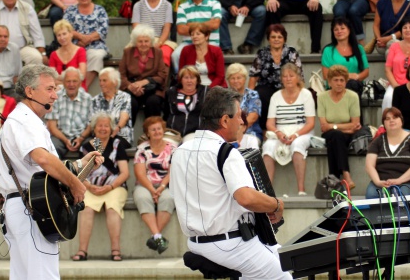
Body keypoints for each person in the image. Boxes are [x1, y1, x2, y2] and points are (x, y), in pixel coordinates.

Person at [0, 64, 102, 279]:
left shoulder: (25, 119)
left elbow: (44, 169)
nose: (55, 95)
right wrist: (75, 183)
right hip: (31, 208)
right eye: (50, 89)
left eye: (55, 89)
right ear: (30, 91)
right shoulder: (25, 120)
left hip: (27, 206)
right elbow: (42, 159)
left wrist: (81, 164)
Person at [170, 86, 291, 280]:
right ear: (225, 120)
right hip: (230, 245)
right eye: (239, 116)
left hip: (196, 243)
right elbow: (246, 198)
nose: (242, 121)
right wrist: (277, 204)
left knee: (283, 255)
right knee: (287, 275)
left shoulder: (179, 151)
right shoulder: (226, 152)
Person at [72, 112, 131, 262]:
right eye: (100, 125)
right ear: (94, 128)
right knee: (86, 208)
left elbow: (124, 173)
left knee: (112, 208)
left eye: (106, 125)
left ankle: (116, 251)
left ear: (111, 128)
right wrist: (90, 187)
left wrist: (109, 187)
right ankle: (82, 251)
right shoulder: (87, 146)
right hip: (91, 187)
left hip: (114, 187)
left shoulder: (118, 144)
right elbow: (81, 173)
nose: (103, 128)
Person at [262, 63, 315, 196]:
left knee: (297, 145)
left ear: (297, 77)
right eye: (285, 76)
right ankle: (267, 192)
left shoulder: (306, 94)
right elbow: (270, 123)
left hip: (302, 132)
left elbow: (310, 123)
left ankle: (301, 190)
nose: (288, 79)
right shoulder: (276, 96)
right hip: (281, 133)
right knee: (268, 146)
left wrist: (296, 135)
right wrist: (278, 133)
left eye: (291, 76)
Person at [133, 116, 177, 254]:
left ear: (163, 130)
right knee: (142, 198)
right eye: (153, 130)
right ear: (148, 133)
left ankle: (155, 236)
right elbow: (140, 173)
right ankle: (158, 236)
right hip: (145, 184)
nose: (157, 132)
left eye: (159, 128)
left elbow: (173, 171)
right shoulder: (142, 149)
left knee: (168, 198)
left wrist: (162, 187)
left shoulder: (172, 148)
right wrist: (152, 190)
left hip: (166, 184)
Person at [248, 24, 303, 132]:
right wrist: (249, 98)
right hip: (266, 87)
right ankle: (265, 131)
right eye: (273, 37)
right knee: (261, 94)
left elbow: (299, 75)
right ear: (268, 39)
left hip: (287, 87)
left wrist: (301, 93)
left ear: (284, 39)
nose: (276, 39)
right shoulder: (262, 53)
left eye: (279, 37)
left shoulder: (291, 52)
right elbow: (253, 77)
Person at [365, 107, 410, 198]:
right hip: (381, 182)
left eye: (395, 117)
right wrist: (378, 182)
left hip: (406, 182)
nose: (391, 121)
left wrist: (399, 180)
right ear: (384, 123)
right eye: (387, 119)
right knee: (371, 194)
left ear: (401, 120)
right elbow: (369, 165)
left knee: (403, 195)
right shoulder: (378, 141)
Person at [318, 65, 361, 189]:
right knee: (335, 136)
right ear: (329, 81)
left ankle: (334, 179)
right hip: (334, 133)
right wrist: (344, 127)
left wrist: (333, 126)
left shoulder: (352, 96)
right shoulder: (322, 97)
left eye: (342, 80)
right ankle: (346, 175)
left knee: (334, 138)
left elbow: (355, 124)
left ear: (346, 82)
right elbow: (324, 126)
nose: (339, 83)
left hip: (348, 135)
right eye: (335, 80)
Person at [63, 0, 110, 89]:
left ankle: (82, 88)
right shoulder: (70, 10)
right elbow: (66, 28)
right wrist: (80, 37)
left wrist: (87, 39)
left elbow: (103, 30)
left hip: (96, 45)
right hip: (75, 45)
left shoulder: (100, 10)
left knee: (96, 56)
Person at [119, 24, 168, 123]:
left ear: (151, 42)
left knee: (153, 102)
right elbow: (121, 75)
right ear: (135, 42)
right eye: (140, 41)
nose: (143, 44)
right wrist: (130, 86)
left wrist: (144, 82)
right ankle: (126, 134)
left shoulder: (157, 52)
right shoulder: (128, 52)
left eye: (146, 41)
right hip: (132, 89)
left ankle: (152, 133)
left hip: (152, 89)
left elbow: (162, 74)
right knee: (130, 102)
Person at [172, 0, 222, 72]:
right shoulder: (183, 7)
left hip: (210, 42)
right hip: (188, 42)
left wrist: (191, 25)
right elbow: (181, 29)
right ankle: (179, 79)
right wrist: (206, 25)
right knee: (175, 55)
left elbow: (215, 24)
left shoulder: (214, 4)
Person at [46, 67, 93, 160]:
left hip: (82, 137)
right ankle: (56, 174)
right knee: (51, 148)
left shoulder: (88, 98)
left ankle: (86, 174)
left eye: (75, 81)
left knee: (93, 147)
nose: (71, 84)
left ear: (80, 82)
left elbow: (91, 125)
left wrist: (80, 138)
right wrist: (66, 140)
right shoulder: (55, 98)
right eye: (68, 81)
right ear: (63, 82)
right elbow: (52, 126)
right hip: (60, 137)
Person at [131, 0, 176, 66]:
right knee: (129, 53)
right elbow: (136, 28)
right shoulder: (138, 5)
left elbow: (167, 28)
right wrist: (145, 43)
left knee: (165, 55)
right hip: (142, 40)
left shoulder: (167, 5)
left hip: (161, 40)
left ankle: (162, 79)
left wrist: (158, 43)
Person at [321, 17, 369, 97]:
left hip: (355, 85)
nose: (339, 31)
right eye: (336, 29)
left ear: (349, 30)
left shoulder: (359, 48)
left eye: (342, 28)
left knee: (352, 85)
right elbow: (326, 75)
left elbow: (366, 71)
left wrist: (357, 76)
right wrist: (347, 76)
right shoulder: (328, 50)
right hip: (334, 86)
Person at [85, 68, 133, 146]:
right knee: (86, 146)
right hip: (100, 136)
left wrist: (117, 128)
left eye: (104, 80)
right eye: (100, 80)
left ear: (115, 82)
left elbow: (124, 117)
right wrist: (81, 138)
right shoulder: (95, 100)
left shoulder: (124, 97)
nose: (101, 83)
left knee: (113, 144)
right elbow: (91, 123)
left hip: (120, 135)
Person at [163, 65, 209, 141]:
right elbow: (166, 113)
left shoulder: (205, 92)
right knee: (167, 146)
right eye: (186, 77)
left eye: (192, 78)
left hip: (195, 132)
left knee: (189, 145)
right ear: (181, 80)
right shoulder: (171, 92)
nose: (189, 81)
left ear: (197, 80)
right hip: (173, 131)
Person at [179, 22, 227, 88]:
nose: (194, 37)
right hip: (192, 87)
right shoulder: (186, 50)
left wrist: (208, 90)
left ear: (206, 36)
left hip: (214, 87)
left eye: (198, 34)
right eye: (192, 34)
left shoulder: (216, 51)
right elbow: (181, 73)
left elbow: (220, 76)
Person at [226, 63, 262, 143]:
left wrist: (239, 131)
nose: (236, 81)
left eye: (239, 78)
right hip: (229, 134)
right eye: (232, 78)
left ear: (245, 79)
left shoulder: (252, 94)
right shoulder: (225, 96)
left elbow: (252, 117)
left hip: (250, 132)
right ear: (228, 80)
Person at [48, 19, 87, 90]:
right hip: (59, 89)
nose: (62, 38)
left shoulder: (80, 51)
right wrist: (69, 81)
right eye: (59, 35)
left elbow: (82, 76)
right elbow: (51, 79)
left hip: (78, 89)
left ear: (71, 34)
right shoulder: (53, 55)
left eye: (64, 34)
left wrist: (61, 78)